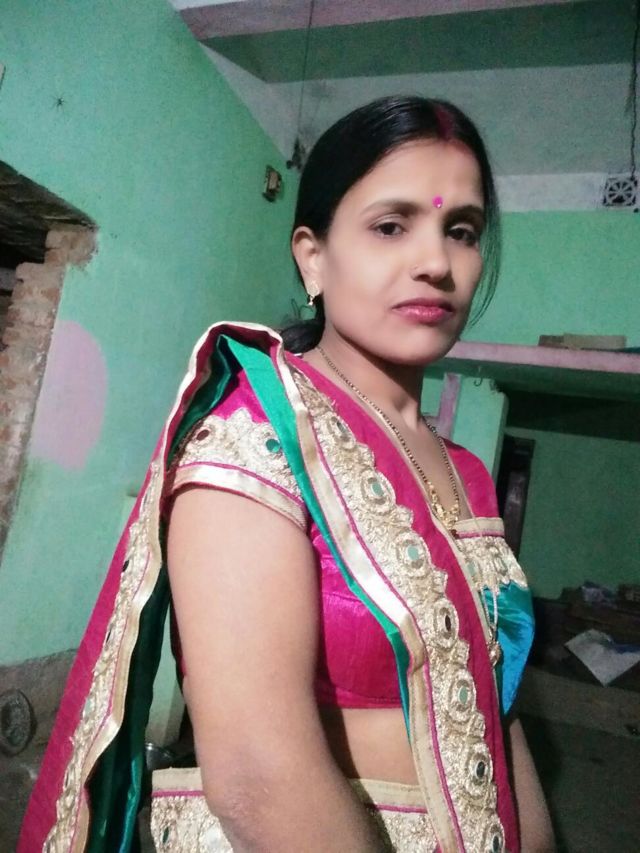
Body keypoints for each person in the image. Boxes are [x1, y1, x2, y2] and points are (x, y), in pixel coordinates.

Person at [20, 95, 554, 852]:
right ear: (312, 257)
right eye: (391, 225)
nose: (436, 262)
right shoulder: (259, 436)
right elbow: (258, 775)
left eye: (460, 230)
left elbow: (498, 709)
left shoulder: (465, 470)